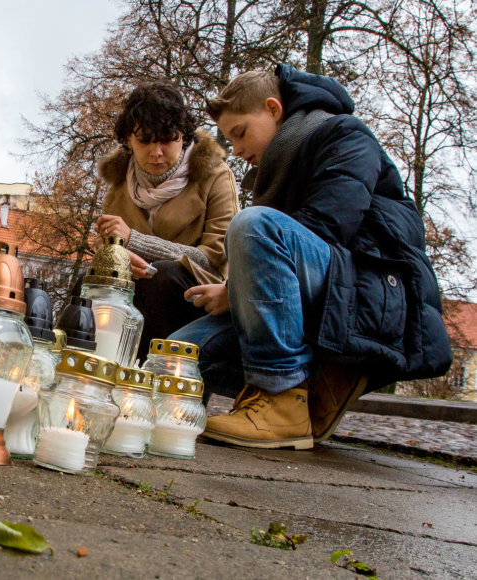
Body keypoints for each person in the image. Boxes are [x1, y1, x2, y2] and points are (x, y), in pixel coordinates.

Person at [170, 64, 452, 450]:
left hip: (372, 297)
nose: (235, 150)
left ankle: (283, 399)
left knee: (254, 225)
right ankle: (176, 413)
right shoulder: (280, 167)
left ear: (273, 109)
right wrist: (235, 292)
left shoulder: (345, 135)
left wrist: (237, 287)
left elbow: (326, 227)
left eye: (239, 133)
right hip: (326, 289)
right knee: (179, 352)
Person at [95, 81, 239, 350]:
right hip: (135, 290)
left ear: (183, 136)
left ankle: (169, 375)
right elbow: (107, 245)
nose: (156, 152)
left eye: (166, 139)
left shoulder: (215, 175)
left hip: (195, 292)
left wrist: (135, 241)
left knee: (163, 277)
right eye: (145, 141)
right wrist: (118, 257)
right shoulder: (118, 182)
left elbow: (215, 258)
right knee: (94, 284)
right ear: (128, 140)